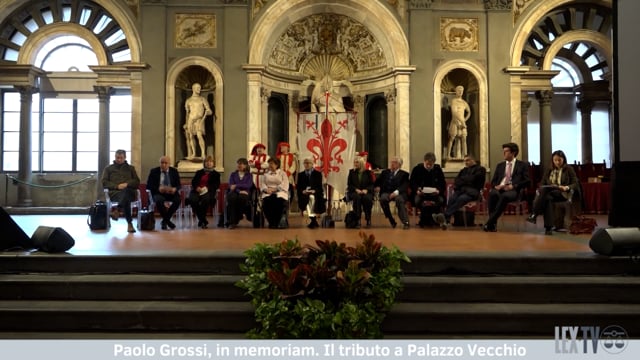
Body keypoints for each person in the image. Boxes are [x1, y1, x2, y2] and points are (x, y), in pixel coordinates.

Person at [526, 150, 580, 235]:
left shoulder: (569, 169)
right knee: (547, 199)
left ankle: (534, 214)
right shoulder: (549, 170)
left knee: (545, 193)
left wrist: (566, 187)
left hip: (562, 193)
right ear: (552, 160)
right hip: (549, 193)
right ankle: (548, 228)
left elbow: (575, 183)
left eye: (559, 160)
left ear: (563, 159)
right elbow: (542, 183)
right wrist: (539, 189)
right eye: (555, 160)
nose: (557, 162)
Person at [483, 142, 530, 232]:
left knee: (505, 196)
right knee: (493, 194)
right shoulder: (500, 165)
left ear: (513, 153)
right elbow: (493, 181)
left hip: (513, 190)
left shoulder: (522, 165)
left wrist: (513, 186)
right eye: (503, 151)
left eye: (506, 151)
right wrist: (496, 186)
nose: (503, 153)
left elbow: (527, 181)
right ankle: (493, 224)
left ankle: (490, 222)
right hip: (500, 188)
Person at [433, 154, 486, 230]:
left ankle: (444, 216)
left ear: (473, 160)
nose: (466, 162)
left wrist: (464, 180)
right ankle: (446, 221)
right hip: (461, 190)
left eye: (467, 160)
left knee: (461, 199)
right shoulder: (463, 170)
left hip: (473, 192)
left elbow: (474, 179)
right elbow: (457, 181)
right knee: (452, 199)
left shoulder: (481, 169)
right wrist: (467, 180)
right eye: (465, 161)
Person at [101, 149, 141, 233]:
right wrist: (117, 186)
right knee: (126, 199)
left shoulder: (131, 168)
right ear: (115, 157)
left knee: (127, 192)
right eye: (117, 157)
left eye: (121, 158)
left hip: (129, 191)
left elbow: (137, 181)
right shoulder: (109, 168)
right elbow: (104, 182)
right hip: (115, 193)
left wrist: (127, 184)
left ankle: (117, 210)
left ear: (125, 157)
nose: (119, 159)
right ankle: (129, 224)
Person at [409, 152, 447, 227]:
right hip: (421, 194)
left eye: (431, 164)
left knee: (440, 201)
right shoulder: (417, 169)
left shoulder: (437, 170)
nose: (429, 166)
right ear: (424, 161)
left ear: (434, 163)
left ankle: (433, 220)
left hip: (434, 194)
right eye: (427, 164)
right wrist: (417, 190)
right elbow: (412, 182)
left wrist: (438, 190)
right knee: (418, 201)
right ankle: (425, 220)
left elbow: (442, 183)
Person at [146, 156, 181, 230]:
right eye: (162, 163)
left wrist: (175, 189)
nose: (164, 165)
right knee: (159, 200)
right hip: (158, 193)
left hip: (171, 192)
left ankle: (165, 221)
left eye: (166, 163)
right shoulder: (154, 171)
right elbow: (148, 185)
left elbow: (179, 185)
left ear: (169, 163)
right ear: (160, 163)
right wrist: (158, 188)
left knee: (177, 200)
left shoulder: (174, 171)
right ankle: (167, 221)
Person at [375, 156, 411, 229]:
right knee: (383, 199)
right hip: (387, 192)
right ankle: (391, 219)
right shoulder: (385, 172)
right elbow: (377, 182)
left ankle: (406, 222)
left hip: (399, 193)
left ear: (399, 165)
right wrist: (377, 186)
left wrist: (396, 192)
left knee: (399, 200)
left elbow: (404, 186)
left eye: (394, 163)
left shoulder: (404, 174)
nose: (392, 164)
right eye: (391, 162)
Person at [188, 155, 220, 229]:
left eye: (210, 162)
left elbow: (216, 185)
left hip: (208, 191)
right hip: (197, 191)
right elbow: (194, 182)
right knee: (192, 200)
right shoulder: (199, 172)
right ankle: (203, 220)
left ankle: (201, 220)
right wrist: (197, 187)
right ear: (204, 163)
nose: (209, 163)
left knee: (205, 200)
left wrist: (207, 188)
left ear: (213, 163)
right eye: (207, 161)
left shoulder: (216, 174)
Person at [184, 83, 212, 160]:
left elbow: (209, 110)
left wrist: (207, 112)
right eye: (197, 88)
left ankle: (203, 153)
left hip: (200, 120)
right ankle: (193, 153)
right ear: (193, 89)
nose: (199, 89)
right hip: (190, 120)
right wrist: (186, 123)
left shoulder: (202, 99)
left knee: (199, 135)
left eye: (199, 88)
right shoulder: (188, 100)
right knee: (191, 136)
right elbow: (187, 113)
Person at [260, 158, 289, 229]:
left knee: (279, 202)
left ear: (277, 165)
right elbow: (262, 183)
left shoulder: (282, 173)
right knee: (266, 203)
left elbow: (285, 184)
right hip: (268, 192)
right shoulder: (265, 174)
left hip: (280, 192)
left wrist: (276, 189)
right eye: (269, 163)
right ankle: (271, 222)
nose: (270, 165)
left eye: (272, 164)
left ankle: (278, 221)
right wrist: (266, 189)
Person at [297, 157, 325, 229]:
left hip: (316, 193)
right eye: (305, 163)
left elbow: (319, 186)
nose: (307, 165)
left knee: (312, 197)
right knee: (308, 198)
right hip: (304, 194)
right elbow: (299, 187)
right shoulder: (301, 175)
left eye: (308, 163)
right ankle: (313, 220)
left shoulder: (318, 174)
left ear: (312, 164)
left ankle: (313, 220)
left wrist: (314, 191)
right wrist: (302, 191)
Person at [346, 156, 374, 228]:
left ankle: (368, 219)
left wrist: (366, 190)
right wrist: (356, 189)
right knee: (357, 198)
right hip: (355, 192)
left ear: (361, 163)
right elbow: (349, 185)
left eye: (357, 162)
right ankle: (357, 219)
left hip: (365, 191)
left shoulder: (368, 172)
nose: (355, 164)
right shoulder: (351, 172)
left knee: (367, 199)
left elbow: (371, 184)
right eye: (354, 162)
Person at [226, 158, 254, 229]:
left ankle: (237, 217)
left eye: (241, 164)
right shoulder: (233, 174)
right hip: (235, 191)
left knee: (242, 198)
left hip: (245, 192)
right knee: (232, 198)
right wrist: (239, 190)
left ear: (245, 166)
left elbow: (248, 185)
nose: (239, 165)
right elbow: (231, 186)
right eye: (238, 163)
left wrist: (236, 185)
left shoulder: (249, 175)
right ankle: (232, 222)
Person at [446, 85, 471, 159]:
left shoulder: (464, 102)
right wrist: (462, 121)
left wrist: (464, 120)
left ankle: (464, 156)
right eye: (458, 90)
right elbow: (454, 112)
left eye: (461, 90)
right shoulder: (454, 101)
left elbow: (469, 112)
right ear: (456, 92)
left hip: (462, 122)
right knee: (452, 138)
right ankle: (448, 155)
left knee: (464, 138)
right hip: (455, 121)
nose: (460, 92)